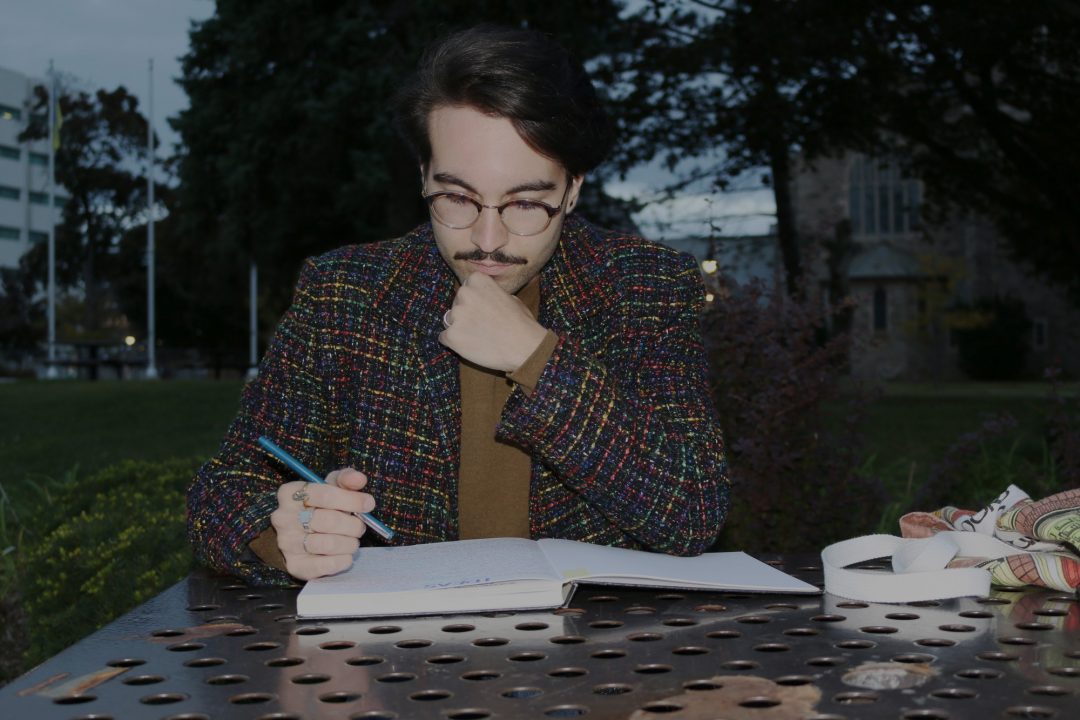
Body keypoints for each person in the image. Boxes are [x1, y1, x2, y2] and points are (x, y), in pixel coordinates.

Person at [187, 24, 730, 586]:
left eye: (525, 203)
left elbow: (691, 511)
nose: (488, 238)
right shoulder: (344, 292)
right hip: (396, 657)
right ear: (423, 174)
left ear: (572, 188)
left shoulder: (644, 285)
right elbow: (223, 490)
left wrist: (537, 358)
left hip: (595, 647)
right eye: (456, 197)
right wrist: (280, 533)